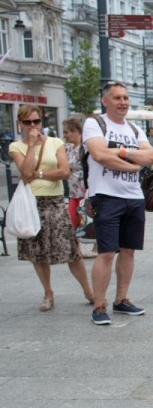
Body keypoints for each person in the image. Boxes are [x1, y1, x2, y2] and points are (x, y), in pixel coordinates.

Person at [83, 82, 153, 325]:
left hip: (134, 197)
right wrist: (133, 164)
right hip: (106, 196)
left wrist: (121, 152)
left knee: (128, 250)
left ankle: (121, 300)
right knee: (106, 252)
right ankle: (99, 306)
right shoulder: (95, 123)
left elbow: (151, 157)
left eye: (125, 98)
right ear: (105, 101)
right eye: (117, 98)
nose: (123, 102)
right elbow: (99, 155)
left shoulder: (134, 129)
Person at [10, 105, 93, 311]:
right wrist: (31, 146)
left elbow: (64, 172)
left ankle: (88, 290)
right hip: (31, 203)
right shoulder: (16, 146)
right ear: (20, 124)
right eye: (27, 122)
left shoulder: (56, 143)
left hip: (54, 201)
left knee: (71, 249)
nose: (33, 126)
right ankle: (48, 293)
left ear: (42, 121)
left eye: (36, 121)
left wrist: (38, 174)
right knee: (37, 252)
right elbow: (25, 171)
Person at [62, 116, 97, 259]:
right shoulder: (67, 148)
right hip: (73, 191)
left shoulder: (86, 147)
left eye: (67, 132)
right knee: (72, 220)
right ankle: (77, 250)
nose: (65, 135)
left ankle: (96, 247)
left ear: (76, 131)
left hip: (85, 190)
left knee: (90, 219)